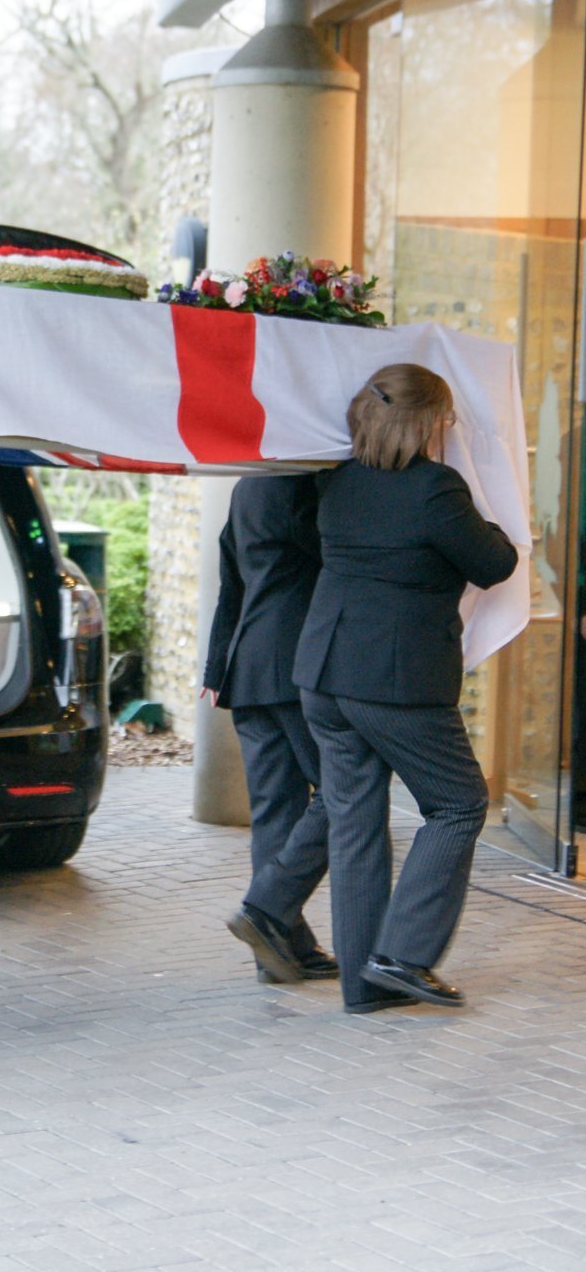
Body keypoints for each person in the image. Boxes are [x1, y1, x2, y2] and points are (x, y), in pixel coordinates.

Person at [231, 364, 518, 1012]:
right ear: (425, 423)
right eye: (442, 420)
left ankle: (366, 987)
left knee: (353, 821)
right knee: (457, 803)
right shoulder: (434, 490)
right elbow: (494, 562)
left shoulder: (339, 484)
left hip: (322, 674)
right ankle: (402, 954)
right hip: (394, 682)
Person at [204, 475, 337, 984]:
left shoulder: (246, 487)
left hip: (249, 667)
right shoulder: (305, 487)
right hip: (297, 665)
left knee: (275, 810)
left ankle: (281, 951)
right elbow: (337, 561)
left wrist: (216, 670)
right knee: (344, 793)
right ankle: (267, 906)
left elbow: (230, 585)